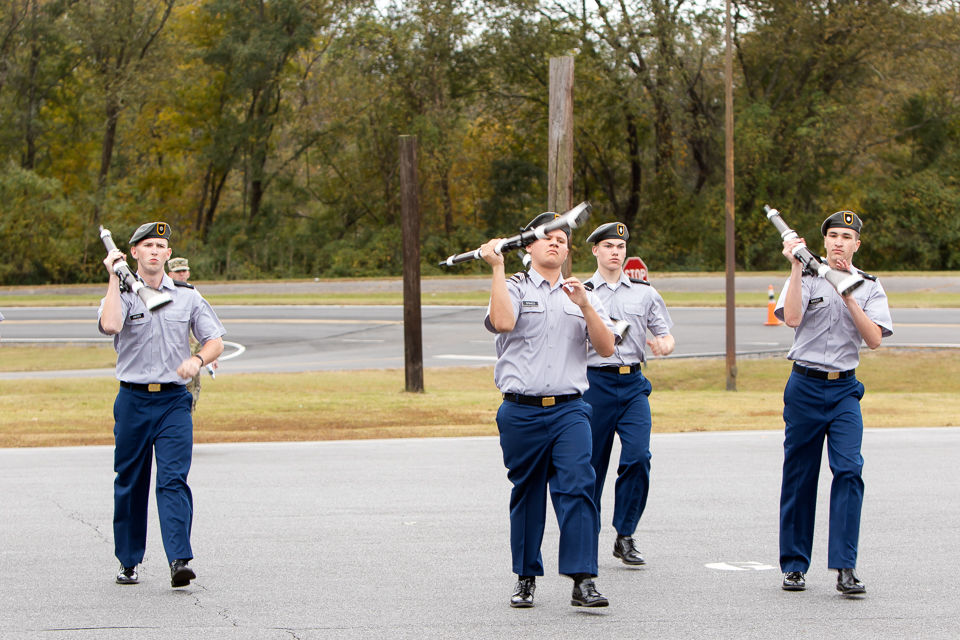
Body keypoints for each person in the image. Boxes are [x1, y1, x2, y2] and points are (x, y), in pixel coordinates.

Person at [481, 212, 617, 609]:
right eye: (547, 238)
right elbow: (503, 322)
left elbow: (607, 348)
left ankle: (583, 579)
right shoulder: (512, 286)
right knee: (528, 493)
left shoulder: (582, 293)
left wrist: (586, 306)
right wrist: (497, 266)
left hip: (570, 409)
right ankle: (526, 576)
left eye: (562, 239)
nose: (556, 244)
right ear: (529, 246)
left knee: (578, 487)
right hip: (520, 410)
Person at [99, 222, 225, 588]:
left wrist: (198, 360)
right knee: (130, 482)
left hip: (172, 401)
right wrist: (112, 278)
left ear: (168, 255)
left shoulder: (187, 296)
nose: (155, 251)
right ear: (133, 252)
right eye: (147, 245)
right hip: (133, 399)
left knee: (173, 480)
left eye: (161, 246)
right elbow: (109, 325)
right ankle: (128, 560)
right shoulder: (121, 293)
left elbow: (214, 339)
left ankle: (179, 560)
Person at [774, 210, 892, 596]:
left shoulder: (870, 286)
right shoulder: (806, 277)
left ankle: (845, 566)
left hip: (843, 389)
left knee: (849, 471)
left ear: (858, 244)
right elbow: (791, 318)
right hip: (805, 385)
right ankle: (794, 564)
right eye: (833, 236)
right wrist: (794, 268)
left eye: (847, 236)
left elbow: (874, 339)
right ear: (823, 241)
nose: (839, 242)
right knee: (800, 474)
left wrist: (848, 296)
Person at [581, 222, 675, 567]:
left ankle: (625, 533)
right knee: (591, 466)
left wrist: (663, 345)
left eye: (619, 247)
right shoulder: (582, 292)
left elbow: (665, 333)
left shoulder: (644, 292)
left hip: (633, 383)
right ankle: (585, 535)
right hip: (594, 384)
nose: (614, 252)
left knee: (638, 456)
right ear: (595, 251)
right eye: (607, 246)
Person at [167, 256, 217, 409]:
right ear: (170, 275)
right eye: (178, 272)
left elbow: (205, 329)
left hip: (192, 358)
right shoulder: (165, 294)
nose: (182, 274)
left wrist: (210, 355)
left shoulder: (193, 293)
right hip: (173, 358)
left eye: (184, 271)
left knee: (191, 397)